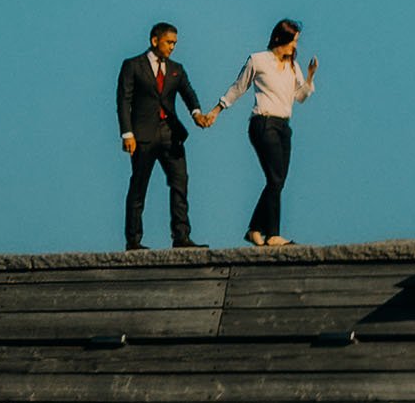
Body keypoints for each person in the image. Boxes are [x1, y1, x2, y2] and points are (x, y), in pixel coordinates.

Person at [212, 19, 317, 247]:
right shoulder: (258, 60)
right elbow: (238, 87)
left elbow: (299, 97)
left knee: (278, 181)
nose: (295, 47)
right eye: (293, 41)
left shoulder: (293, 67)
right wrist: (217, 110)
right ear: (280, 38)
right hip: (264, 122)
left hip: (283, 126)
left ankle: (255, 229)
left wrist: (309, 77)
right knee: (275, 178)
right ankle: (273, 234)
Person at [116, 23, 211, 250]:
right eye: (169, 42)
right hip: (143, 136)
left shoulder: (176, 68)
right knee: (139, 186)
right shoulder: (133, 66)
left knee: (180, 182)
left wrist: (197, 113)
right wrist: (127, 133)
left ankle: (181, 236)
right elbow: (124, 101)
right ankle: (133, 240)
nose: (172, 47)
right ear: (155, 40)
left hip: (171, 134)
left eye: (175, 43)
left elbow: (188, 93)